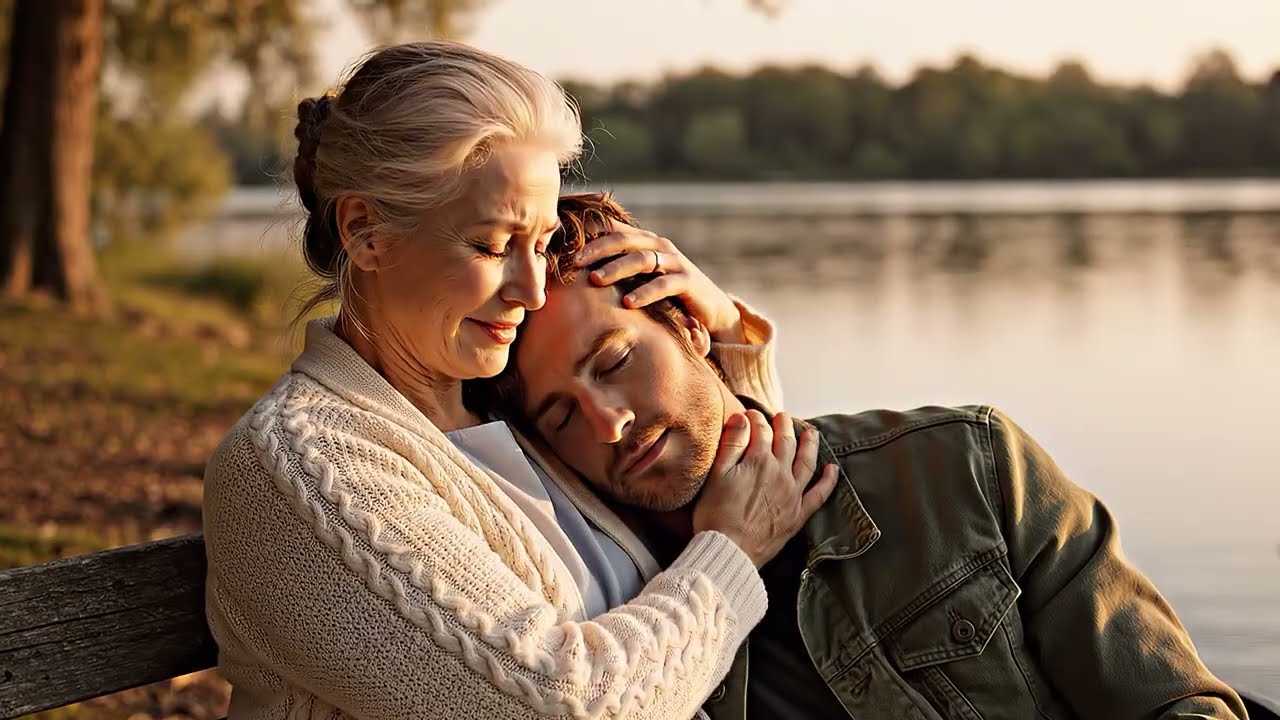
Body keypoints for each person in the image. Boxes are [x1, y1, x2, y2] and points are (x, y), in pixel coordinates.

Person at [202, 42, 837, 720]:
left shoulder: (509, 413)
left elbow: (729, 503)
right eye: (492, 245)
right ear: (366, 233)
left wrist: (713, 337)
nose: (532, 289)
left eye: (539, 242)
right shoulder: (304, 467)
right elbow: (560, 705)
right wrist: (730, 555)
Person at [476, 192, 1250, 720]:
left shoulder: (964, 468)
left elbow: (1173, 705)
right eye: (561, 414)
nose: (608, 423)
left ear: (686, 323)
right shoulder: (609, 615)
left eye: (614, 363)